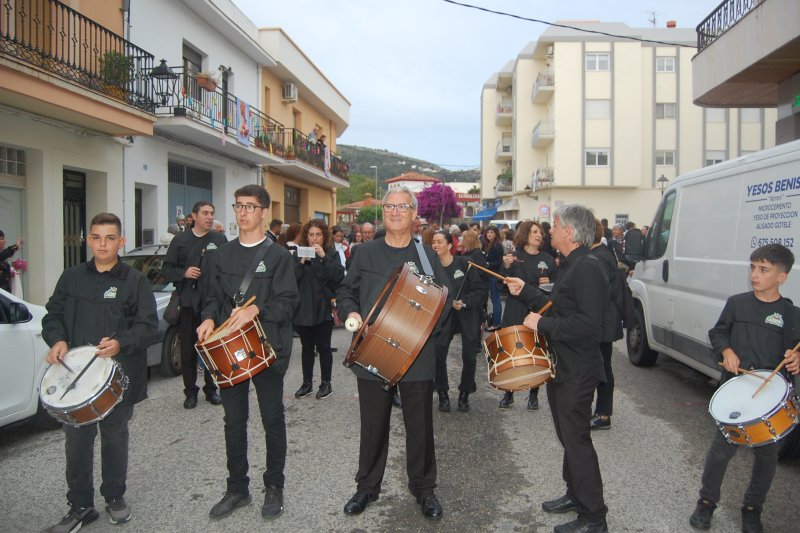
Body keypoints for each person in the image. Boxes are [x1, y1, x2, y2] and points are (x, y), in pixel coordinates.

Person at [336, 187, 450, 519]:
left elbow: (444, 301)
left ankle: (424, 490)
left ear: (415, 214)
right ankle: (366, 488)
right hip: (372, 353)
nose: (395, 211)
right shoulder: (365, 253)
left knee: (420, 426)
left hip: (417, 357)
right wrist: (351, 313)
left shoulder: (427, 255)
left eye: (402, 206)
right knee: (373, 425)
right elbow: (346, 291)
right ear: (382, 212)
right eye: (389, 206)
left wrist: (423, 332)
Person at [42, 213, 158, 532]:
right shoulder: (71, 278)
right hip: (76, 383)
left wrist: (122, 342)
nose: (103, 244)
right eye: (96, 237)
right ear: (88, 239)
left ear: (121, 242)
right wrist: (58, 340)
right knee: (76, 444)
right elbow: (53, 316)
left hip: (117, 378)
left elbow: (148, 326)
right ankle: (80, 505)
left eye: (110, 238)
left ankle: (114, 497)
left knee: (114, 440)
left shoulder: (135, 282)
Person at [196, 185, 299, 521]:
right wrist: (209, 317)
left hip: (266, 348)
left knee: (272, 419)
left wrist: (258, 310)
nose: (243, 212)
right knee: (233, 422)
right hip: (230, 350)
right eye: (238, 206)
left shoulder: (279, 256)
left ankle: (275, 486)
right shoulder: (221, 254)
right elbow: (212, 295)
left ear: (264, 211)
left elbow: (287, 302)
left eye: (250, 207)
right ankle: (237, 488)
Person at [506, 204, 609, 533]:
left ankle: (594, 516)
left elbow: (588, 324)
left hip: (577, 369)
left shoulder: (589, 267)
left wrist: (543, 326)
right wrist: (527, 293)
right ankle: (574, 493)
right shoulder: (572, 265)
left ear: (570, 232)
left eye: (556, 225)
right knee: (568, 437)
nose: (550, 230)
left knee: (576, 441)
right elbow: (559, 307)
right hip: (563, 365)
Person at [689, 244, 800, 533]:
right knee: (720, 452)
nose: (755, 274)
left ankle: (752, 509)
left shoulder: (792, 315)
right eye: (752, 267)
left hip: (769, 399)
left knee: (767, 457)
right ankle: (706, 502)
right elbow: (718, 331)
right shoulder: (737, 303)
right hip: (737, 389)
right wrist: (725, 349)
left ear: (782, 277)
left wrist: (797, 359)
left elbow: (796, 353)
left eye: (763, 269)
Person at [163, 201, 228, 409]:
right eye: (205, 213)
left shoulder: (219, 239)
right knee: (188, 352)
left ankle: (212, 390)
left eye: (212, 213)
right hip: (189, 305)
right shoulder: (180, 241)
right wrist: (184, 273)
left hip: (213, 305)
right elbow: (166, 270)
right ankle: (190, 392)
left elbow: (227, 270)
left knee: (211, 349)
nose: (209, 217)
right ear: (194, 216)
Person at [497, 221, 556, 411]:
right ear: (525, 234)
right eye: (534, 232)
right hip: (515, 309)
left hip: (537, 310)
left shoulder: (548, 258)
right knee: (513, 352)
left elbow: (556, 289)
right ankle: (509, 392)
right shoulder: (514, 258)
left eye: (541, 232)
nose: (539, 235)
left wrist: (550, 282)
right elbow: (500, 287)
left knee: (537, 350)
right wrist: (505, 269)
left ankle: (533, 394)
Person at [431, 230, 486, 412]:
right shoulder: (431, 268)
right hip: (444, 315)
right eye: (433, 242)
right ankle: (442, 393)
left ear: (449, 245)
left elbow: (479, 290)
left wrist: (465, 303)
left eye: (439, 241)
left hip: (467, 313)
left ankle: (465, 392)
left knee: (469, 356)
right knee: (438, 354)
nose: (436, 245)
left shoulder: (464, 263)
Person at [292, 219, 344, 400]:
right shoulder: (298, 253)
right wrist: (301, 262)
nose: (315, 239)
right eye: (311, 234)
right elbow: (290, 279)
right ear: (306, 236)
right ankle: (307, 383)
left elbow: (338, 276)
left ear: (324, 236)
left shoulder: (331, 253)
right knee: (306, 348)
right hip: (303, 309)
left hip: (323, 308)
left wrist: (324, 258)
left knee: (324, 347)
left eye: (318, 235)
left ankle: (326, 383)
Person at [589, 219, 624, 430]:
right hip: (603, 319)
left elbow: (598, 294)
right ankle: (601, 411)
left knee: (602, 368)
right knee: (602, 366)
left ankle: (603, 414)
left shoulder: (599, 257)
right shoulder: (600, 253)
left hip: (603, 321)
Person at [483, 225, 504, 331]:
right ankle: (495, 322)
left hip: (494, 275)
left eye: (491, 232)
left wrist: (487, 264)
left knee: (495, 300)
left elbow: (499, 262)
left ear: (496, 234)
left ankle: (496, 323)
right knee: (494, 300)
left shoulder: (496, 245)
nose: (489, 234)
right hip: (490, 275)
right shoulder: (489, 245)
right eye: (488, 232)